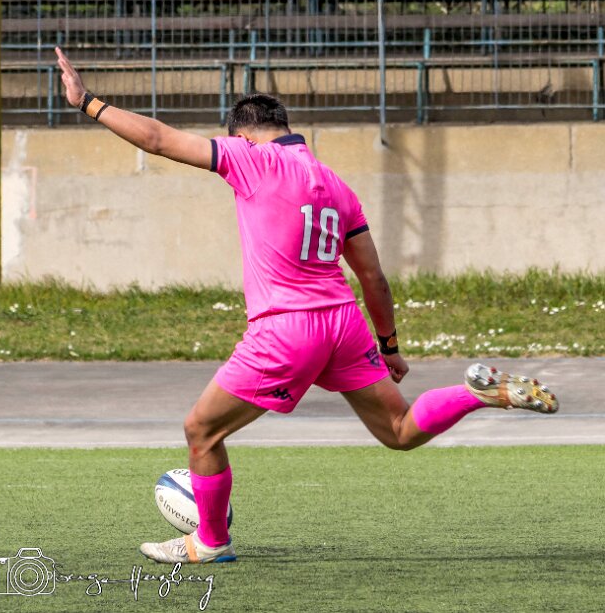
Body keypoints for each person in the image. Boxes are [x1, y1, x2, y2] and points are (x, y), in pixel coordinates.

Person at [54, 47, 559, 565]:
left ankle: (210, 542)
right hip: (344, 324)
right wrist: (389, 346)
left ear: (242, 135)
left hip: (287, 329)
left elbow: (158, 139)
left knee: (201, 431)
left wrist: (88, 102)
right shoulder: (336, 185)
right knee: (400, 430)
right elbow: (373, 278)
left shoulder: (250, 158)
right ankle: (475, 393)